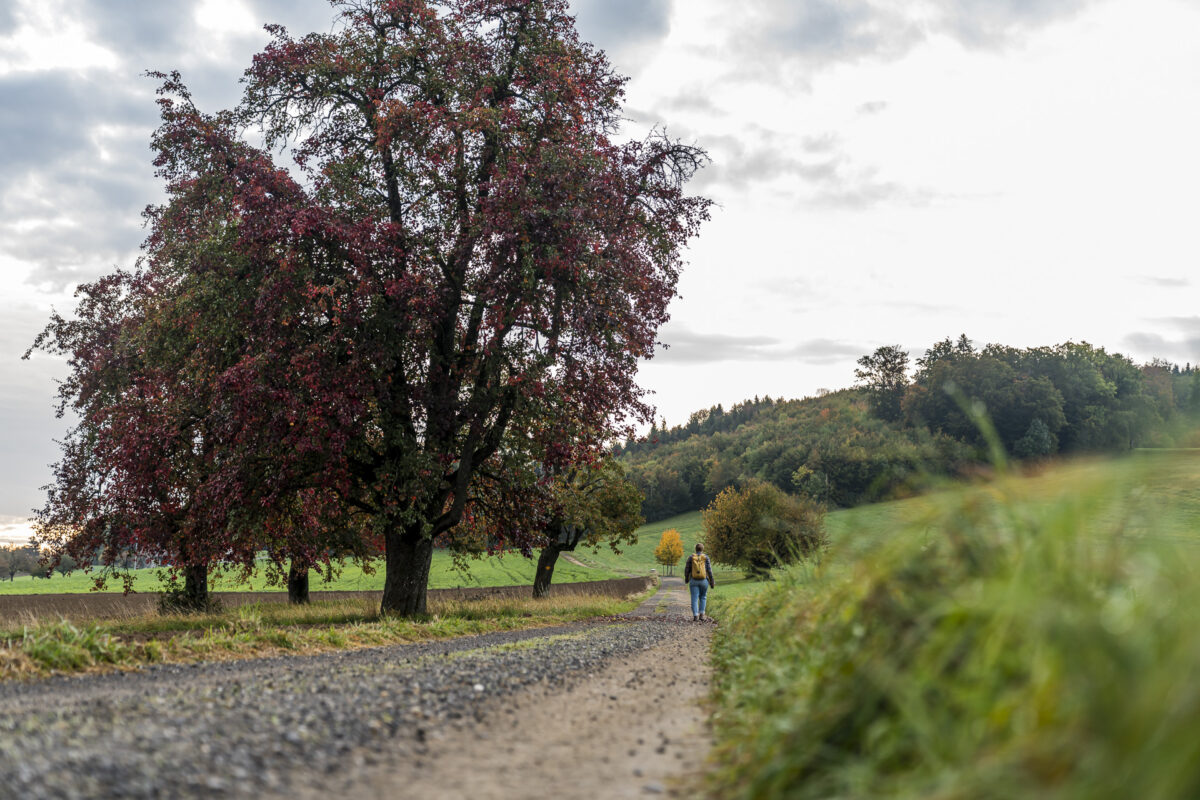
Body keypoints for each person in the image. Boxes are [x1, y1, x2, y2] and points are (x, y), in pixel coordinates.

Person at [684, 543, 715, 621]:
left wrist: (686, 578)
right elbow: (709, 571)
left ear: (695, 549)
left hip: (694, 580)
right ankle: (702, 615)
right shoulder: (705, 558)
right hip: (704, 581)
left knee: (694, 598)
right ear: (702, 549)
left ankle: (695, 616)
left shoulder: (691, 557)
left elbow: (687, 569)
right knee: (703, 597)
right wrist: (712, 581)